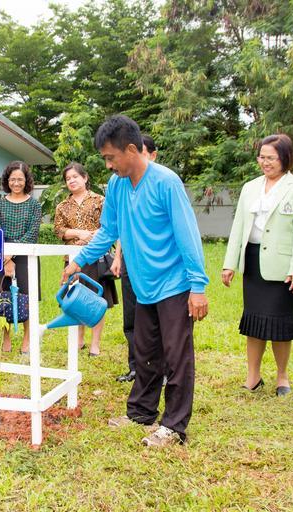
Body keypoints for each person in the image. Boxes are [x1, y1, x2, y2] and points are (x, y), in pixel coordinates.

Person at [62, 115, 209, 448]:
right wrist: (79, 261)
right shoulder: (117, 186)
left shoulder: (166, 182)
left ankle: (174, 427)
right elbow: (108, 231)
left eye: (110, 157)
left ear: (131, 149)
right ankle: (141, 412)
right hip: (142, 284)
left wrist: (198, 286)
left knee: (176, 356)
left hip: (174, 284)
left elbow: (188, 235)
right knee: (145, 351)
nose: (108, 165)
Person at [221, 134, 293, 396]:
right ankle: (253, 375)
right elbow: (239, 226)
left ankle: (282, 377)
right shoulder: (250, 187)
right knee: (253, 322)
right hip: (253, 261)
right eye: (261, 157)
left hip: (283, 267)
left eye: (271, 158)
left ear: (285, 158)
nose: (265, 162)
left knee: (280, 324)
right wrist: (229, 263)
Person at [54, 162, 118, 356]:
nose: (71, 181)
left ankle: (95, 344)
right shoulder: (62, 206)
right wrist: (78, 233)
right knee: (76, 300)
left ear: (85, 178)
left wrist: (92, 236)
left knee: (96, 300)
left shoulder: (100, 200)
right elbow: (59, 230)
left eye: (75, 176)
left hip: (96, 257)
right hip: (73, 259)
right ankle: (79, 339)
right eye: (68, 178)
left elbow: (110, 226)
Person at [111, 134, 157, 381]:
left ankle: (159, 369)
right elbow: (118, 227)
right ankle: (136, 366)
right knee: (132, 315)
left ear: (151, 155)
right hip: (130, 261)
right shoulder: (120, 185)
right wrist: (118, 257)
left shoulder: (162, 183)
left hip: (156, 265)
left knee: (155, 319)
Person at [0, 161, 41, 354]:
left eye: (20, 179)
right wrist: (6, 259)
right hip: (2, 255)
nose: (16, 183)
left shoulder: (34, 205)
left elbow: (32, 234)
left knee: (27, 297)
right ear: (7, 180)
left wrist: (12, 254)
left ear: (26, 180)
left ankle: (27, 338)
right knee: (3, 297)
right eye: (12, 179)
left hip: (26, 257)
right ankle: (6, 337)